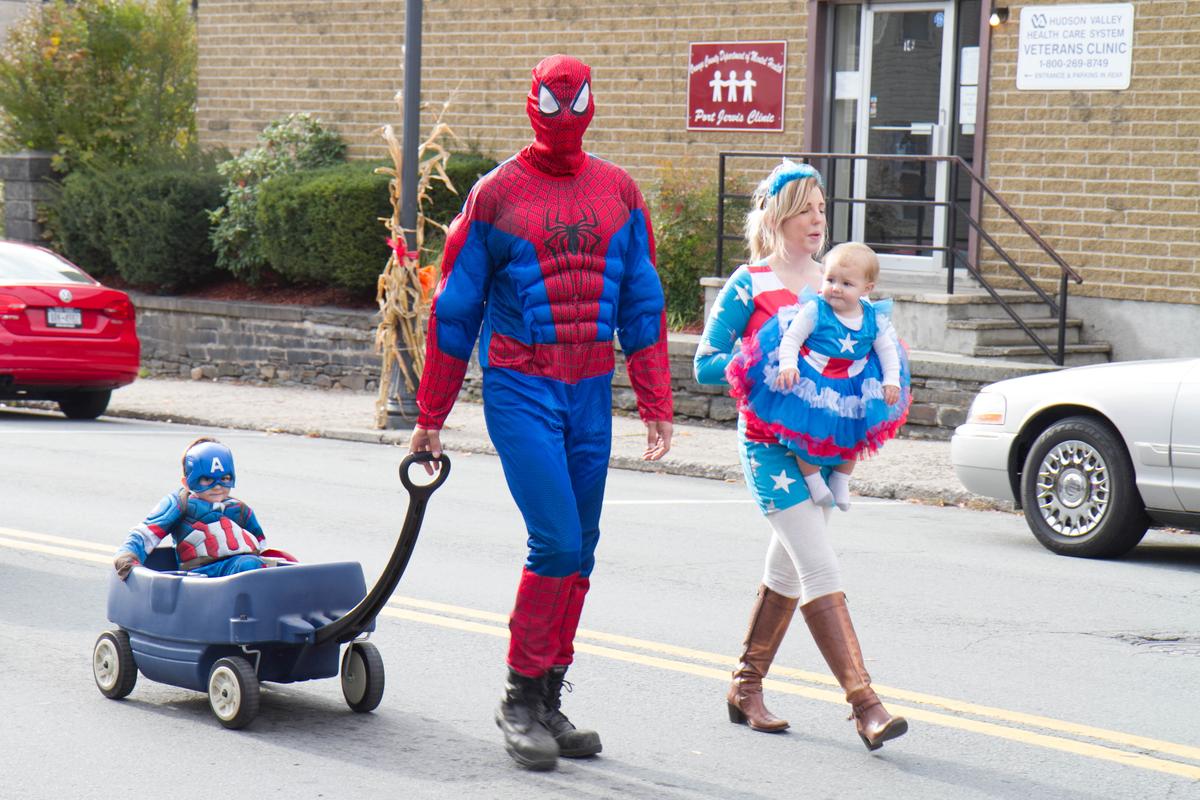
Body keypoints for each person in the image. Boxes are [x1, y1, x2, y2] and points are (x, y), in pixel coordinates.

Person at [407, 54, 674, 771]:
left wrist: (654, 396)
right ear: (532, 104)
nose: (563, 117)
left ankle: (549, 696)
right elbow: (455, 306)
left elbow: (640, 297)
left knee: (581, 551)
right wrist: (430, 413)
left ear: (591, 103)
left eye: (574, 102)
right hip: (521, 386)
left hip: (589, 388)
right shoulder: (497, 194)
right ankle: (519, 698)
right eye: (552, 104)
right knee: (556, 542)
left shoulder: (618, 191)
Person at [693, 160, 908, 750]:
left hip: (826, 446)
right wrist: (763, 361)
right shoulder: (750, 282)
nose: (818, 218)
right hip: (767, 446)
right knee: (819, 564)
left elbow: (865, 347)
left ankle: (746, 685)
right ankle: (866, 704)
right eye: (806, 208)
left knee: (787, 567)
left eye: (821, 207)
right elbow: (705, 362)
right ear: (778, 216)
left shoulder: (834, 280)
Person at [727, 241, 910, 511]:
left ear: (866, 289)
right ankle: (813, 480)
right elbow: (791, 339)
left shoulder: (872, 317)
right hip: (814, 378)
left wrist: (891, 381)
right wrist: (789, 365)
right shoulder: (815, 309)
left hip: (852, 383)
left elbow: (888, 352)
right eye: (830, 280)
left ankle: (841, 480)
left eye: (847, 284)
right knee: (807, 434)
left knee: (855, 435)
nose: (835, 288)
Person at [113, 437, 291, 579]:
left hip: (241, 570)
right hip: (201, 576)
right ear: (187, 481)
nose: (217, 486)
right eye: (207, 479)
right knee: (249, 565)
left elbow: (261, 545)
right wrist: (127, 556)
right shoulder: (180, 503)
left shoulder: (240, 509)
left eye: (225, 478)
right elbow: (146, 533)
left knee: (261, 565)